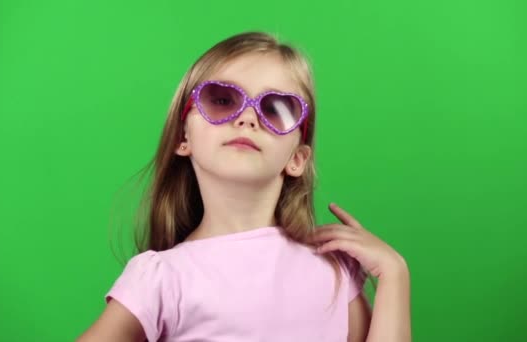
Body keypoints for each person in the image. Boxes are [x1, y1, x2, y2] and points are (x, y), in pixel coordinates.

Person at [77, 31, 411, 342]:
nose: (248, 118)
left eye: (276, 108)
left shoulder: (333, 270)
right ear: (183, 137)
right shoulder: (161, 278)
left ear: (297, 158)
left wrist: (394, 275)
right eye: (221, 100)